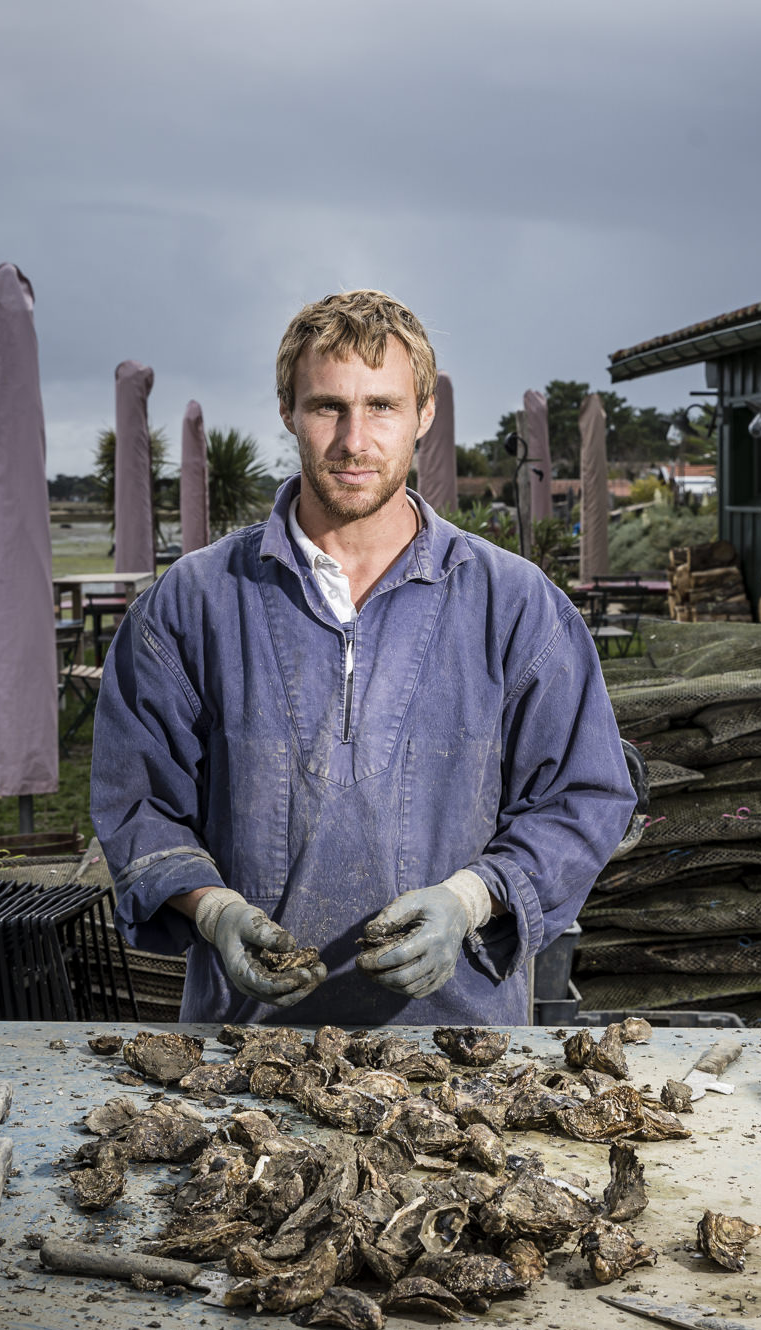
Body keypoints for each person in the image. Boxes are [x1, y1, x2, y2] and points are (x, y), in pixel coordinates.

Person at [90, 289, 634, 1025]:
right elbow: (137, 800)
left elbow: (586, 794)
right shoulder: (192, 605)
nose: (354, 439)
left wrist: (472, 898)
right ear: (288, 411)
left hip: (459, 1056)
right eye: (327, 407)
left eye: (382, 406)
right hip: (241, 1053)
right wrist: (211, 908)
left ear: (424, 415)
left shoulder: (517, 607)